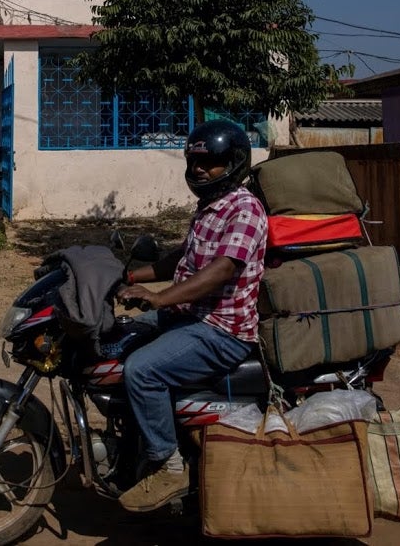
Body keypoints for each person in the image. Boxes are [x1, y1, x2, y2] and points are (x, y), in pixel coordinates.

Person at [113, 120, 268, 512]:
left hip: (221, 331)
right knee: (115, 338)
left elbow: (221, 271)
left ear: (232, 163)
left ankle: (167, 465)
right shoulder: (210, 208)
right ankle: (131, 448)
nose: (199, 169)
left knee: (142, 370)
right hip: (191, 317)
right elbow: (182, 260)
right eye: (194, 160)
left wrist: (160, 299)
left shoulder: (245, 209)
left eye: (210, 161)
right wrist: (128, 277)